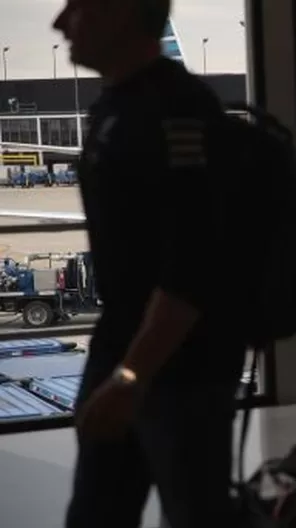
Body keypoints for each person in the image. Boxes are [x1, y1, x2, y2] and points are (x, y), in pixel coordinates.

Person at [53, 1, 247, 527]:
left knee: (192, 514)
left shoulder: (177, 111)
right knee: (97, 510)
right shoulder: (114, 106)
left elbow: (192, 267)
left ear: (119, 15)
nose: (60, 22)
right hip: (123, 350)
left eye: (77, 8)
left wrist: (132, 376)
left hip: (178, 367)